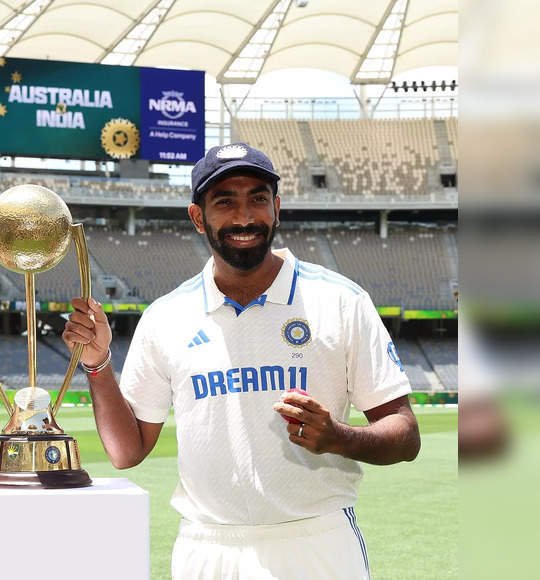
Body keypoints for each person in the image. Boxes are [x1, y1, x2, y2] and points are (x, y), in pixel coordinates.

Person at [63, 143, 420, 579]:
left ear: (277, 209)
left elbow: (405, 435)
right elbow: (127, 451)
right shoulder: (166, 316)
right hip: (208, 548)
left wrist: (338, 437)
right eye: (225, 202)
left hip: (317, 541)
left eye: (258, 198)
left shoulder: (341, 300)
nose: (245, 217)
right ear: (198, 217)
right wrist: (98, 364)